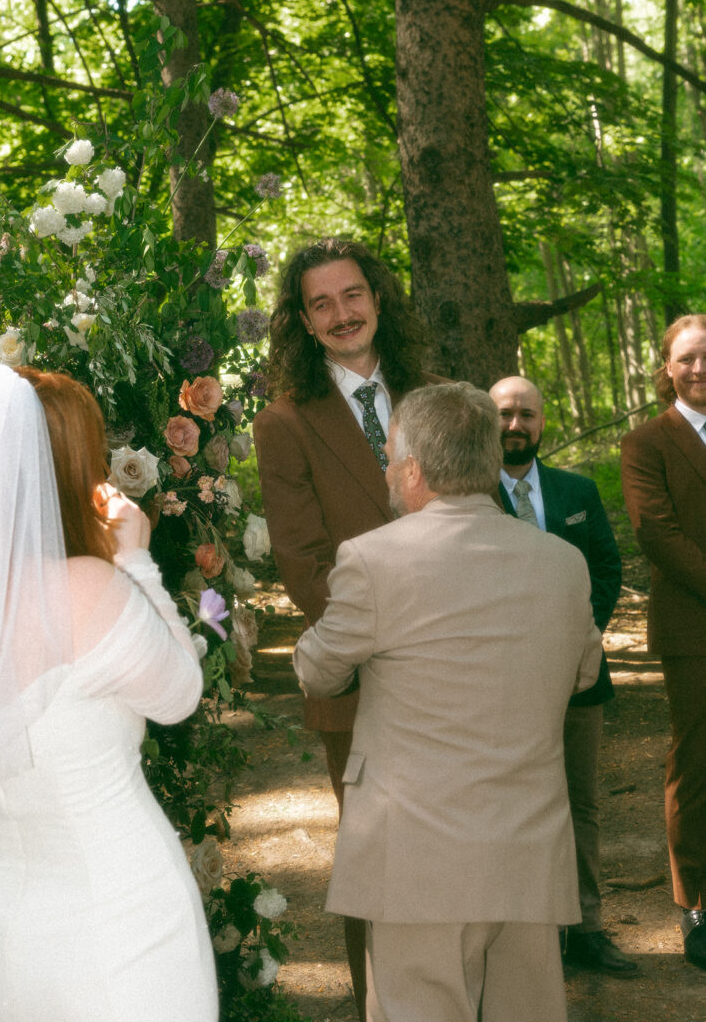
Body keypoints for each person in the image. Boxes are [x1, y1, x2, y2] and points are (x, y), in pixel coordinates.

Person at [0, 363, 218, 1022]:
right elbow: (180, 693)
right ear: (69, 468)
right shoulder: (87, 589)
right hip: (118, 925)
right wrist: (136, 560)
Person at [293, 382, 602, 1022]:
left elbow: (319, 672)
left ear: (413, 470)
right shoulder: (565, 563)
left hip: (415, 857)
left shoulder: (372, 559)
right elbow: (583, 672)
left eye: (389, 458)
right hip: (526, 849)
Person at [252, 237, 445, 1017]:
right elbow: (304, 568)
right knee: (378, 862)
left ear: (377, 298)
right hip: (363, 681)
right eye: (320, 303)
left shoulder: (435, 397)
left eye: (352, 294)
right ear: (301, 321)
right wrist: (406, 638)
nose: (341, 313)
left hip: (464, 675)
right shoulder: (284, 423)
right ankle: (384, 1006)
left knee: (465, 850)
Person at [488, 376, 635, 976]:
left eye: (526, 414)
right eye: (504, 415)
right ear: (486, 422)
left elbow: (605, 565)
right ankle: (514, 939)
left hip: (578, 676)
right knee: (505, 804)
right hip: (496, 684)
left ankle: (586, 929)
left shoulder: (576, 489)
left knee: (580, 801)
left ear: (544, 421)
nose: (515, 425)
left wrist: (577, 633)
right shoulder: (465, 495)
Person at [621, 314, 706, 971]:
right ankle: (695, 907)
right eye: (687, 358)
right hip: (693, 628)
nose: (699, 368)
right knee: (697, 766)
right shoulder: (646, 442)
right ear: (666, 368)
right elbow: (656, 532)